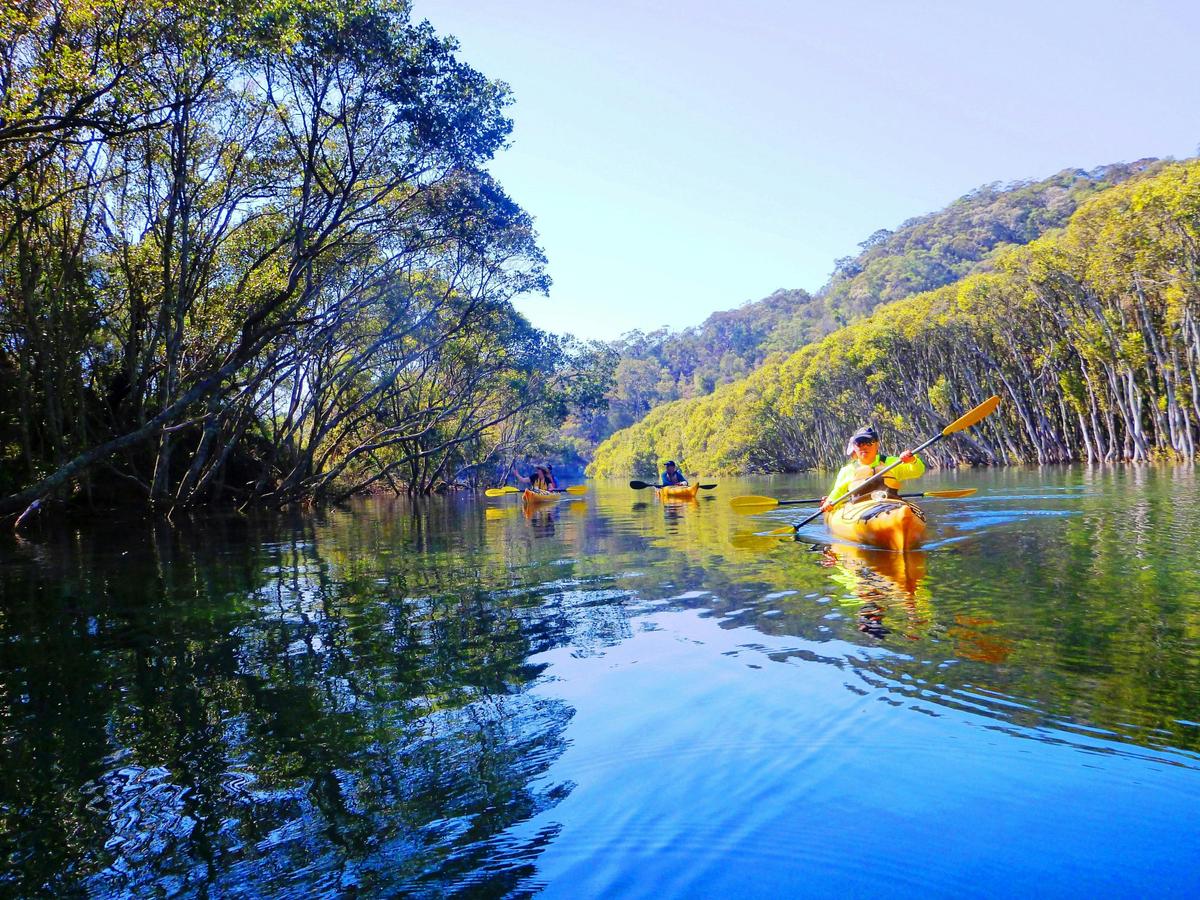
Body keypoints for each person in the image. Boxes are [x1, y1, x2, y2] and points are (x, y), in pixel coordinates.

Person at [819, 426, 924, 512]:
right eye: (860, 443)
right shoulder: (847, 471)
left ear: (877, 445)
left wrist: (912, 460)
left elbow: (917, 471)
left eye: (869, 442)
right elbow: (837, 492)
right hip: (860, 511)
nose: (864, 447)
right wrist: (830, 502)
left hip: (891, 507)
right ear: (854, 448)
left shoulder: (892, 462)